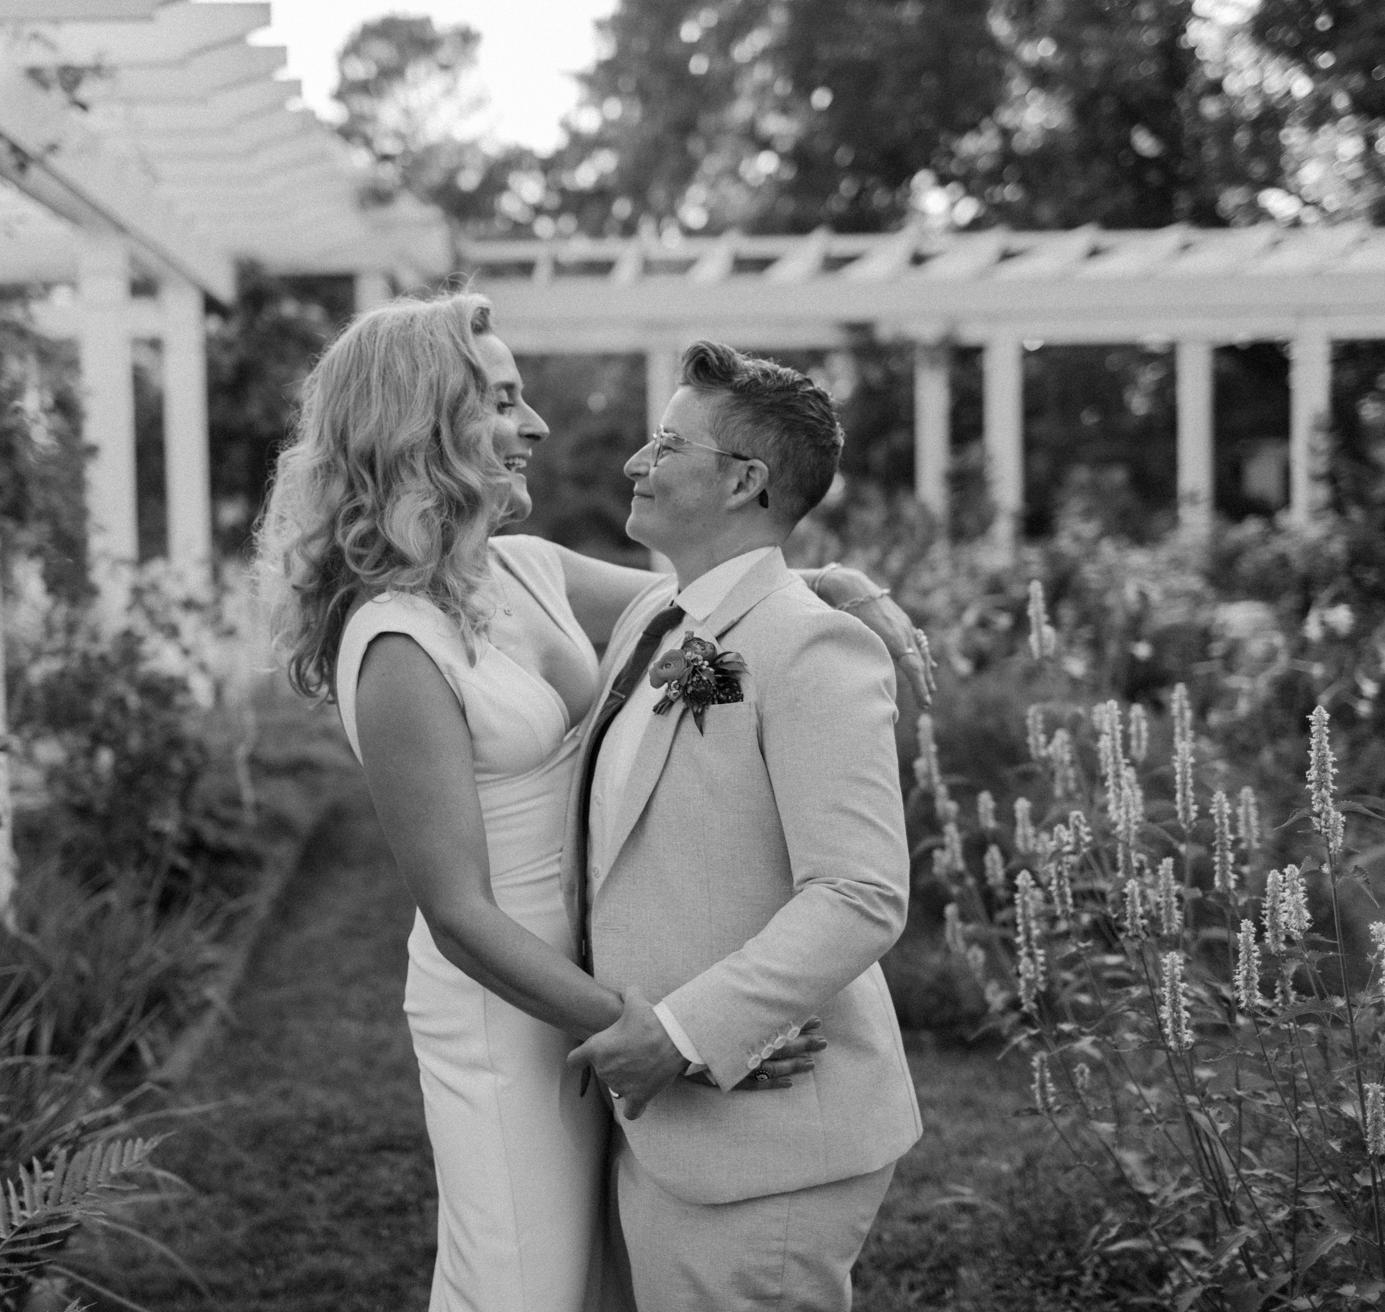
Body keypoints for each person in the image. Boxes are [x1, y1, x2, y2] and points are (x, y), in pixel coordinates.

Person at [253, 293, 930, 1312]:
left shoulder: (523, 572)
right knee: (524, 1282)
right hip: (512, 1002)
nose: (535, 425)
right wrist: (656, 1031)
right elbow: (457, 912)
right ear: (419, 425)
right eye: (502, 401)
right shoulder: (396, 645)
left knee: (597, 1282)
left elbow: (710, 601)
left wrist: (842, 584)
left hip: (601, 984)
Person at [565, 341, 922, 1311]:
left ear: (743, 481)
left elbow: (859, 893)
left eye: (665, 444)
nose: (637, 461)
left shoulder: (812, 645)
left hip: (770, 1155)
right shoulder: (657, 616)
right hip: (670, 1133)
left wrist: (684, 1032)